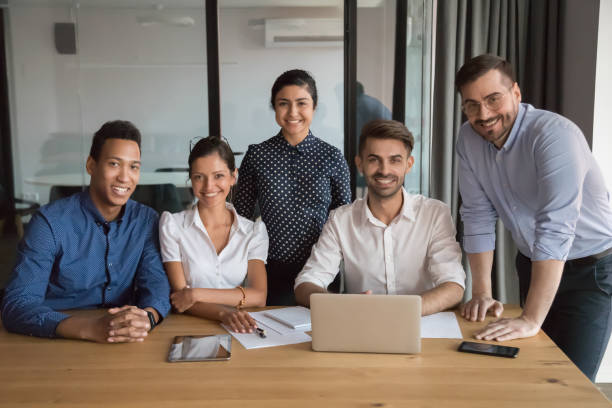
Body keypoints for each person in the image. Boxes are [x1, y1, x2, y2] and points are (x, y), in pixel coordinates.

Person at [455, 54, 612, 381]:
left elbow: (555, 229)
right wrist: (482, 291)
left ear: (516, 92)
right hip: (531, 264)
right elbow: (477, 215)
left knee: (570, 383)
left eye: (492, 99)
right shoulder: (468, 139)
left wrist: (531, 318)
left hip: (591, 272)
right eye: (471, 105)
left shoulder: (555, 136)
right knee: (531, 376)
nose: (483, 115)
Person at [1, 120, 171, 342]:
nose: (124, 177)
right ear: (91, 165)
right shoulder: (49, 223)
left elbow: (156, 285)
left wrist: (148, 317)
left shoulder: (146, 220)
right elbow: (18, 304)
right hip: (55, 338)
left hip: (122, 337)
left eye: (133, 167)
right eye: (114, 164)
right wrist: (90, 328)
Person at [294, 119, 465, 314]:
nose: (384, 170)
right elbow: (306, 284)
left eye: (395, 160)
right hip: (361, 327)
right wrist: (342, 306)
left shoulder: (435, 214)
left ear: (409, 164)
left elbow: (453, 286)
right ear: (360, 164)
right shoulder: (340, 220)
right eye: (374, 159)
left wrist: (400, 313)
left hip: (422, 325)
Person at [234, 69, 351, 305]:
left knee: (321, 333)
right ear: (274, 107)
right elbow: (240, 218)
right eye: (283, 104)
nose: (293, 112)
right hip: (271, 268)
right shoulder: (258, 155)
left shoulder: (332, 157)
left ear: (314, 107)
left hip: (322, 268)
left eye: (302, 103)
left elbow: (344, 217)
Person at [159, 137, 268, 333]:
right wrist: (224, 313)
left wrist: (195, 293)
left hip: (241, 328)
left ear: (233, 176)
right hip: (187, 327)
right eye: (199, 177)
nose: (209, 186)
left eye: (218, 176)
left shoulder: (253, 232)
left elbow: (259, 296)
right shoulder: (172, 225)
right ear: (191, 179)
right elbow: (180, 299)